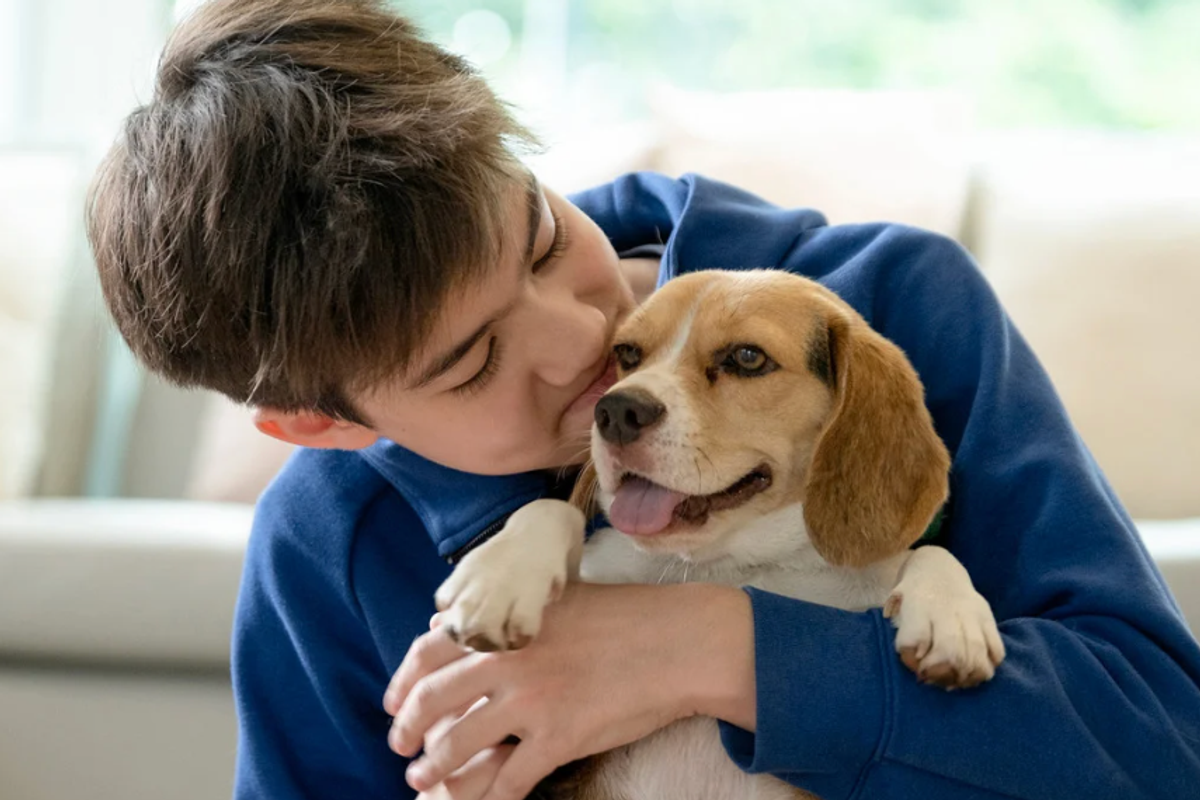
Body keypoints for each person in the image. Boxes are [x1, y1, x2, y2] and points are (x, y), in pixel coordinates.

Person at [86, 1, 1200, 798]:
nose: (588, 347)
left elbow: (1161, 744)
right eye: (472, 363)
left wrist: (710, 649)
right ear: (323, 424)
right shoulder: (326, 538)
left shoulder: (895, 302)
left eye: (540, 238)